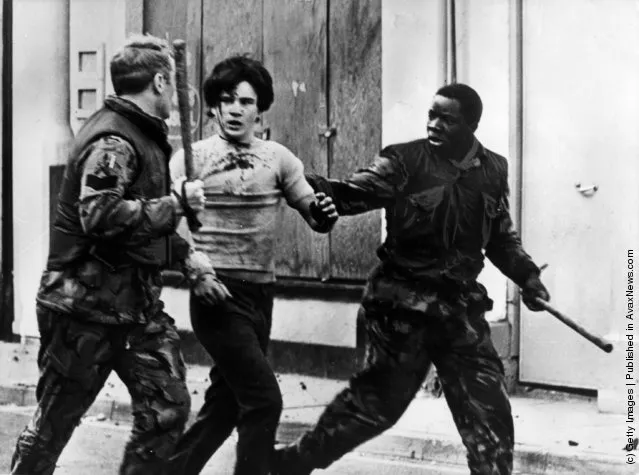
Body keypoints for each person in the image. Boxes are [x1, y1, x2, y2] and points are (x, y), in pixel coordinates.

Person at [271, 83, 550, 475]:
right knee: (376, 406)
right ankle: (291, 463)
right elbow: (354, 190)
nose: (433, 124)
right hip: (400, 307)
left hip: (459, 312)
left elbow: (501, 237)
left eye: (446, 119)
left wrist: (528, 275)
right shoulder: (404, 160)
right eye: (431, 114)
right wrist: (308, 189)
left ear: (471, 124)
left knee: (489, 413)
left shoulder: (493, 170)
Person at [11, 35, 229, 475]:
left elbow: (139, 228)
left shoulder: (143, 136)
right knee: (54, 424)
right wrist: (178, 205)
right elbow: (101, 215)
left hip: (134, 309)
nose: (179, 95)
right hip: (82, 311)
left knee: (167, 410)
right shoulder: (114, 140)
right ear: (161, 81)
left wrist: (187, 259)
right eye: (175, 85)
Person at [167, 55, 338, 475]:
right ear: (213, 107)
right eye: (226, 100)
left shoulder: (278, 157)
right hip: (215, 293)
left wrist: (325, 213)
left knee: (226, 405)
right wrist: (196, 271)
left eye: (245, 101)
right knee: (264, 399)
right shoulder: (190, 158)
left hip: (261, 294)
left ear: (260, 108)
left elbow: (312, 211)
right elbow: (166, 228)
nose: (235, 109)